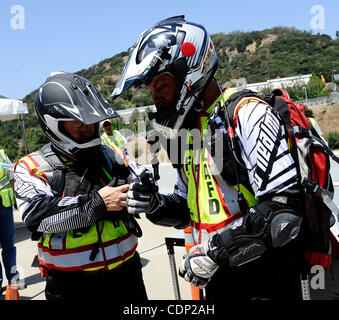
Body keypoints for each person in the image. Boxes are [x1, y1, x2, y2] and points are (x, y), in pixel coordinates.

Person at [111, 15, 310, 300]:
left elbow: (283, 212)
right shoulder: (183, 134)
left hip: (266, 278)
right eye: (152, 90)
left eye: (162, 85)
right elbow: (188, 208)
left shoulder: (247, 113)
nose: (156, 98)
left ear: (191, 72)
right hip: (218, 276)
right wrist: (155, 205)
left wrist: (215, 251)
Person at [14, 72, 147, 300]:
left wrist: (147, 196)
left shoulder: (111, 154)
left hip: (127, 275)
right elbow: (38, 218)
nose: (88, 131)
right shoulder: (32, 167)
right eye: (79, 126)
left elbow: (142, 185)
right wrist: (99, 203)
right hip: (71, 285)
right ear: (54, 126)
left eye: (92, 124)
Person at [0, 149, 21, 294]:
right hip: (5, 206)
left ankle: (13, 278)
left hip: (4, 205)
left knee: (9, 246)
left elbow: (12, 176)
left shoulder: (1, 154)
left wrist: (16, 200)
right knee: (8, 246)